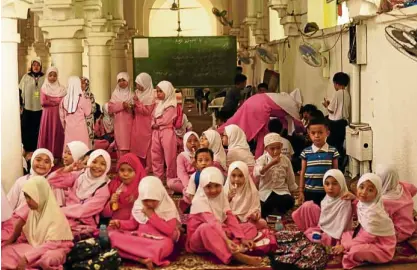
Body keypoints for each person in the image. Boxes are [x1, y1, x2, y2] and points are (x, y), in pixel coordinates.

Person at [186, 167, 262, 266]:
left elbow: (230, 217)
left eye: (217, 186)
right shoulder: (199, 200)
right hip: (201, 240)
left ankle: (233, 245)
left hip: (220, 230)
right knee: (205, 227)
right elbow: (213, 222)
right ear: (202, 186)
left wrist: (242, 238)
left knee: (249, 226)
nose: (213, 190)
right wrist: (226, 240)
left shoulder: (221, 195)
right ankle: (235, 255)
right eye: (208, 186)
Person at [108, 176, 180, 270]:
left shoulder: (167, 207)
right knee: (111, 235)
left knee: (165, 246)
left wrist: (152, 215)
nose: (149, 204)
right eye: (146, 200)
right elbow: (133, 224)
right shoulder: (139, 205)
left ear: (160, 195)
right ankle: (141, 258)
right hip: (140, 237)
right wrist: (119, 223)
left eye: (153, 200)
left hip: (159, 241)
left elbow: (169, 231)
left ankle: (134, 255)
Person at [1, 177, 74, 269]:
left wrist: (27, 257)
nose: (27, 201)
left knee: (48, 258)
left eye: (30, 197)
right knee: (6, 251)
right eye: (26, 197)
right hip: (34, 246)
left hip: (54, 249)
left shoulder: (55, 215)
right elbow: (26, 235)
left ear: (41, 196)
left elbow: (52, 244)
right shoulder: (34, 211)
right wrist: (15, 245)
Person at [333, 173, 396, 269]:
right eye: (361, 187)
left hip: (382, 247)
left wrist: (344, 246)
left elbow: (367, 237)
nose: (364, 192)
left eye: (370, 190)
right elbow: (360, 203)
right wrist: (354, 197)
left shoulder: (374, 213)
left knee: (354, 251)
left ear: (377, 193)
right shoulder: (366, 203)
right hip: (368, 236)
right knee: (346, 234)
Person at [218, 90, 304, 159]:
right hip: (260, 107)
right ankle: (258, 158)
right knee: (262, 135)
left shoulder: (283, 99)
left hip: (253, 101)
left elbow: (285, 120)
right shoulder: (292, 104)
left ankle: (216, 132)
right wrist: (304, 130)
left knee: (235, 120)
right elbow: (297, 122)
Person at [49, 149, 111, 230]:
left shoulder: (103, 191)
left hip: (84, 224)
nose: (97, 166)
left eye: (103, 164)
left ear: (107, 167)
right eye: (94, 162)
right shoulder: (79, 176)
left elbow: (82, 211)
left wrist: (57, 211)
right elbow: (51, 181)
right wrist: (69, 168)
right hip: (65, 217)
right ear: (89, 162)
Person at [292, 169, 353, 246]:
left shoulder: (344, 201)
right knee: (308, 205)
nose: (330, 187)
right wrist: (321, 229)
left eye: (334, 184)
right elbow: (324, 219)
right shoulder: (327, 198)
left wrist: (325, 233)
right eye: (327, 184)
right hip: (324, 228)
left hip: (336, 234)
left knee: (316, 237)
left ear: (341, 184)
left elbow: (340, 228)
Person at [298, 117, 339, 206]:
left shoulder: (333, 151)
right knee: (311, 212)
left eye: (320, 132)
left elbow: (336, 172)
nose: (316, 136)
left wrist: (338, 189)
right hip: (309, 190)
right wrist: (301, 190)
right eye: (313, 133)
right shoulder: (306, 152)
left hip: (327, 190)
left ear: (327, 133)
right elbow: (302, 172)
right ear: (309, 133)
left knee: (326, 212)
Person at [254, 133, 297, 217]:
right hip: (266, 191)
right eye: (272, 149)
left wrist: (292, 195)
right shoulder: (262, 159)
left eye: (278, 148)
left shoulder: (285, 160)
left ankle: (278, 213)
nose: (276, 151)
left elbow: (290, 178)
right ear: (266, 148)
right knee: (264, 204)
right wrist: (271, 163)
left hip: (281, 191)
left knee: (288, 200)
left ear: (281, 146)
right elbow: (257, 173)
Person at [376, 164, 417, 242]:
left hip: (397, 234)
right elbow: (414, 189)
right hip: (410, 227)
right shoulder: (403, 186)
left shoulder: (383, 201)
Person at [102, 153, 146, 221]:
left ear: (137, 171)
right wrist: (111, 203)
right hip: (116, 224)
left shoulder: (143, 187)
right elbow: (104, 214)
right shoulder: (113, 185)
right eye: (122, 170)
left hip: (137, 224)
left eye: (130, 170)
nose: (125, 174)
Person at [224, 161, 267, 229]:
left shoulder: (252, 191)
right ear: (229, 175)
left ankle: (239, 228)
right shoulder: (225, 191)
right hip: (231, 219)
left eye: (240, 176)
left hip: (247, 219)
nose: (236, 179)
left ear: (246, 176)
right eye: (233, 175)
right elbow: (221, 209)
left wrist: (255, 215)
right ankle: (241, 228)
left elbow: (256, 208)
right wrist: (228, 198)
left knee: (262, 223)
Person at [322, 72, 351, 171]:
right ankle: (340, 167)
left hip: (335, 123)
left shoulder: (337, 93)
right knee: (340, 145)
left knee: (331, 146)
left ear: (336, 83)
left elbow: (331, 109)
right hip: (344, 123)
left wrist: (326, 105)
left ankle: (331, 167)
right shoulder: (347, 93)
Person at [37, 67, 66, 159]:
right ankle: (46, 153)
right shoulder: (44, 88)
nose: (52, 78)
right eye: (50, 75)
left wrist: (51, 101)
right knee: (48, 131)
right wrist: (56, 102)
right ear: (47, 76)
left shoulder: (62, 89)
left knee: (58, 132)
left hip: (58, 114)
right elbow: (43, 102)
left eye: (54, 75)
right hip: (48, 115)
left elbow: (64, 101)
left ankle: (57, 154)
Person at [151, 81, 177, 181]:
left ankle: (171, 180)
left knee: (170, 157)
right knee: (156, 156)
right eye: (157, 91)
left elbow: (166, 119)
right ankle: (158, 179)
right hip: (156, 132)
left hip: (167, 132)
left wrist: (156, 123)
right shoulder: (158, 105)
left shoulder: (171, 105)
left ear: (167, 91)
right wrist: (153, 124)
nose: (158, 94)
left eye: (161, 91)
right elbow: (152, 116)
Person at [20, 58, 46, 152]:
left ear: (40, 66)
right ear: (31, 66)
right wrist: (20, 104)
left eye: (38, 65)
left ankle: (37, 147)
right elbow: (20, 91)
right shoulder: (26, 77)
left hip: (40, 108)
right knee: (26, 128)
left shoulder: (44, 77)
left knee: (38, 129)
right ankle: (27, 148)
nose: (36, 67)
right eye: (34, 65)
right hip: (28, 107)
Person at [131, 73, 155, 171]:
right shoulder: (137, 93)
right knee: (136, 143)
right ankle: (137, 164)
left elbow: (147, 112)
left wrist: (137, 102)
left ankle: (149, 166)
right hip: (137, 122)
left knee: (147, 145)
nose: (137, 86)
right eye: (136, 84)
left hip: (146, 123)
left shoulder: (151, 95)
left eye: (139, 84)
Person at [60, 76, 92, 148]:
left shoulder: (63, 100)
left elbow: (61, 118)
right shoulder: (82, 99)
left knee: (70, 149)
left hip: (69, 129)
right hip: (81, 129)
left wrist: (65, 127)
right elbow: (88, 112)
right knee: (81, 149)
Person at [108, 72, 134, 156]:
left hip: (130, 122)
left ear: (128, 81)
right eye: (119, 80)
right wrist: (122, 105)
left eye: (124, 80)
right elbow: (110, 108)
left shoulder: (132, 94)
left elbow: (135, 108)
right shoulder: (115, 94)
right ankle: (121, 163)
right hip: (119, 122)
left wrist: (131, 106)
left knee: (130, 143)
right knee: (120, 144)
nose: (122, 82)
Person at [81, 77, 96, 149]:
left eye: (83, 83)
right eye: (80, 83)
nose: (81, 85)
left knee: (88, 138)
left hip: (88, 120)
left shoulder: (90, 95)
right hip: (79, 119)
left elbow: (94, 108)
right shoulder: (76, 95)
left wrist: (85, 110)